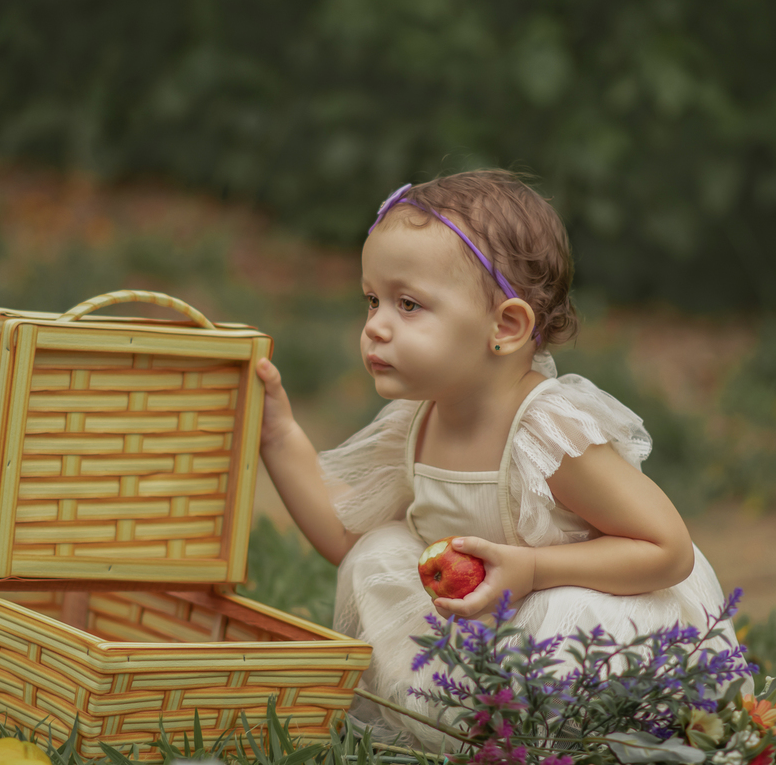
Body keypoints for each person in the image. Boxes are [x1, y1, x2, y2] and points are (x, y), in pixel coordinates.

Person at [254, 170, 745, 750]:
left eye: (408, 304)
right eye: (372, 300)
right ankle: (469, 736)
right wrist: (279, 435)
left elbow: (667, 550)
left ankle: (578, 745)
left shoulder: (546, 435)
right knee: (379, 555)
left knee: (564, 611)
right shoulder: (419, 421)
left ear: (506, 326)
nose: (375, 327)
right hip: (495, 644)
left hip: (592, 641)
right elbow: (344, 535)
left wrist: (535, 571)